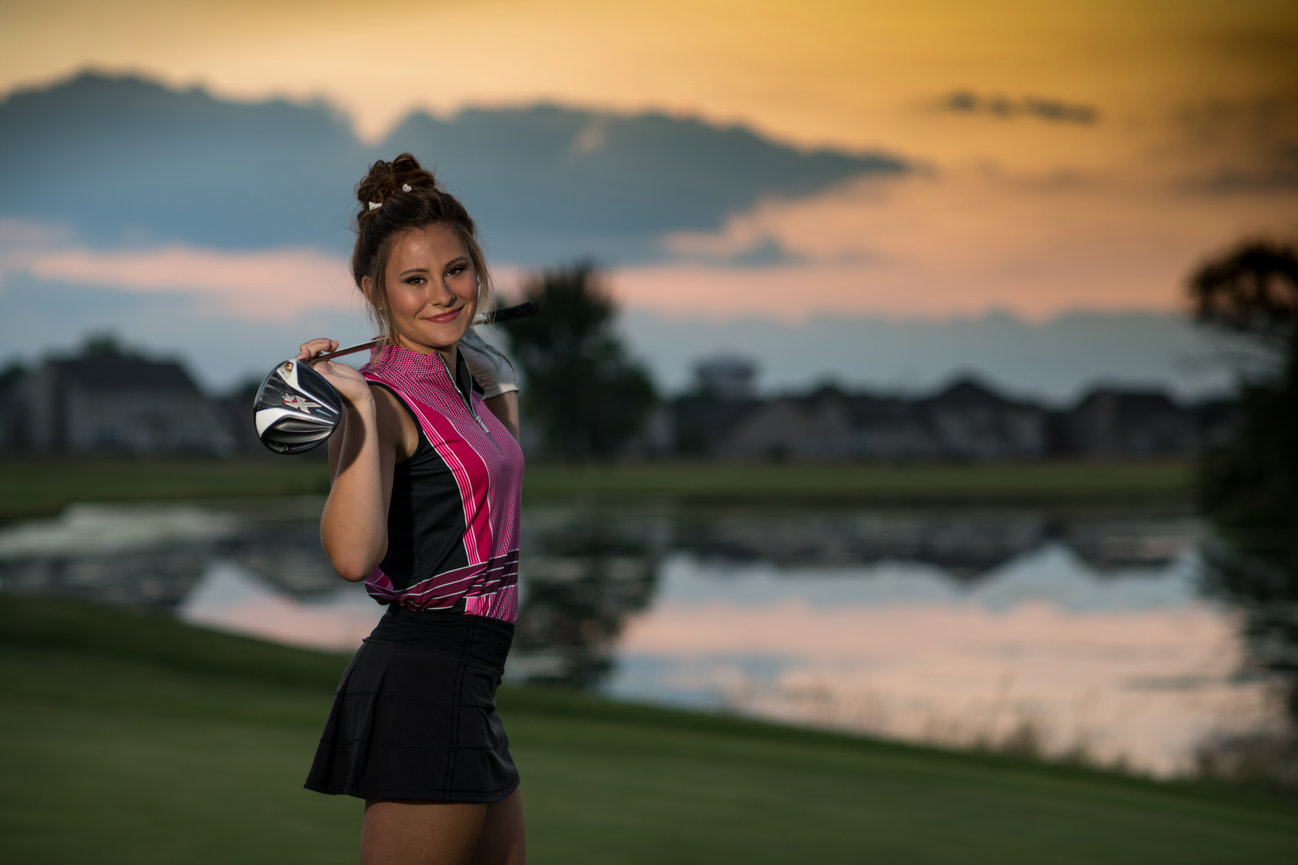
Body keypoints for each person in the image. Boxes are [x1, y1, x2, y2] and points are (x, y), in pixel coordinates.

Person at [299, 153, 527, 865]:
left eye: (456, 271)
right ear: (374, 290)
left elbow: (502, 464)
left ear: (478, 270)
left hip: (470, 680)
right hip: (425, 681)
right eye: (415, 280)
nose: (444, 294)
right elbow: (350, 554)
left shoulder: (465, 375)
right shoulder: (388, 399)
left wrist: (484, 355)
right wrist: (358, 405)